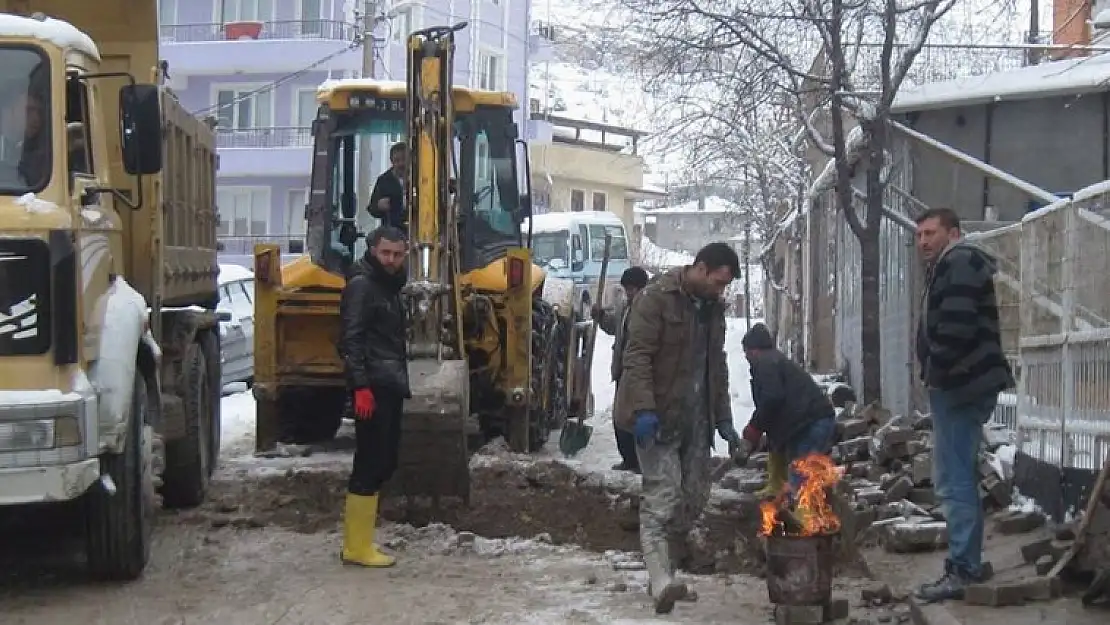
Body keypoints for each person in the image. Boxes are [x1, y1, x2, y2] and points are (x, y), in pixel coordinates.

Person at [614, 242, 740, 615]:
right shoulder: (655, 300)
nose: (721, 291)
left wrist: (724, 418)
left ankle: (666, 568)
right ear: (700, 268)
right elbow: (636, 358)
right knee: (662, 495)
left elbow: (716, 364)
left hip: (695, 422)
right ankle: (659, 580)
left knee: (696, 495)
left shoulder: (713, 310)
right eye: (718, 282)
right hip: (655, 416)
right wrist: (643, 409)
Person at [912, 207, 1014, 603]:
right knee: (957, 475)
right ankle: (966, 560)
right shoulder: (953, 265)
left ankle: (963, 569)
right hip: (962, 384)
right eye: (919, 235)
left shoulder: (958, 263)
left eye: (931, 233)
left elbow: (955, 327)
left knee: (953, 479)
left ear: (953, 233)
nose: (923, 241)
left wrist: (936, 369)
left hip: (960, 386)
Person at [337, 226, 411, 568]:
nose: (392, 260)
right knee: (370, 462)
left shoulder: (389, 286)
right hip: (374, 387)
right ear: (372, 250)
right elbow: (351, 340)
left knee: (384, 462)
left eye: (397, 254)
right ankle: (356, 546)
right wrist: (361, 387)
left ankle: (361, 541)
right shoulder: (363, 286)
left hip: (388, 383)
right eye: (386, 253)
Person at [735, 323, 835, 497]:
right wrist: (765, 435)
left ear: (754, 350)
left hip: (813, 422)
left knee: (800, 472)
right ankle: (777, 490)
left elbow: (772, 399)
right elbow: (775, 409)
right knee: (779, 450)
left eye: (747, 352)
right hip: (805, 420)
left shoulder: (766, 363)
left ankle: (802, 516)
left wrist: (754, 429)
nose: (746, 356)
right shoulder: (772, 360)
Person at [592, 266, 650, 474]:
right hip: (623, 370)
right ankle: (628, 458)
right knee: (620, 418)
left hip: (640, 372)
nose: (629, 293)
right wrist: (600, 317)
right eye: (627, 290)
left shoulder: (649, 312)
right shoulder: (626, 309)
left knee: (634, 418)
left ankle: (639, 460)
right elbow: (613, 326)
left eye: (633, 289)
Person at [368, 142, 407, 229]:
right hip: (391, 234)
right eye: (397, 160)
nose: (401, 163)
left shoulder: (420, 179)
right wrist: (379, 206)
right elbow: (372, 208)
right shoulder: (384, 180)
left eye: (404, 159)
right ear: (391, 161)